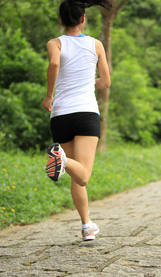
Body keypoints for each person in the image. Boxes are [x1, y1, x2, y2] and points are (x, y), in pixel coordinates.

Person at [42, 0, 112, 241]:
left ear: (60, 20)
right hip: (85, 113)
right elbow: (105, 82)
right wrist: (88, 82)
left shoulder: (55, 43)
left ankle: (86, 226)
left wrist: (49, 95)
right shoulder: (96, 44)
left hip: (60, 114)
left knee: (75, 173)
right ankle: (60, 158)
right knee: (82, 176)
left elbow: (54, 63)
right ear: (83, 19)